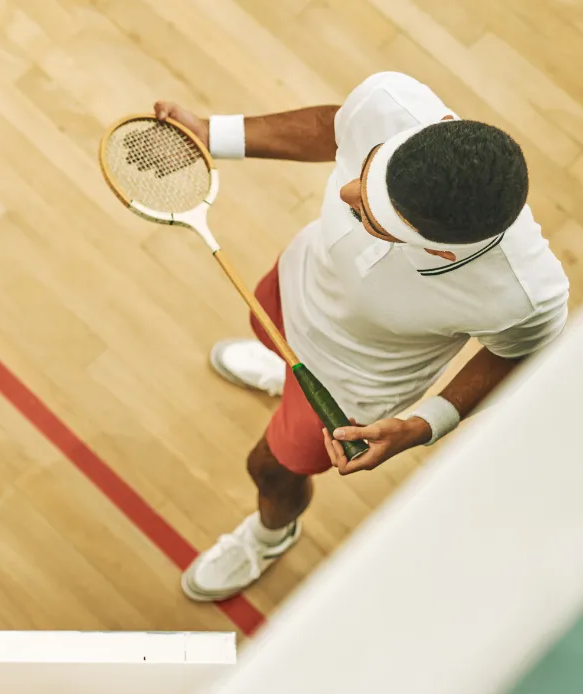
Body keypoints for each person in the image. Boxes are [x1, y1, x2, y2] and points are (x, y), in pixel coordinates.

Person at [153, 71, 570, 602]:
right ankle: (285, 377)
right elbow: (336, 127)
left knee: (269, 469)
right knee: (266, 335)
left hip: (347, 385)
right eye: (368, 171)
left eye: (365, 211)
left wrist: (423, 425)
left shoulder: (523, 295)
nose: (346, 189)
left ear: (439, 251)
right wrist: (215, 134)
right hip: (298, 283)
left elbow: (518, 354)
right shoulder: (392, 103)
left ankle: (271, 535)